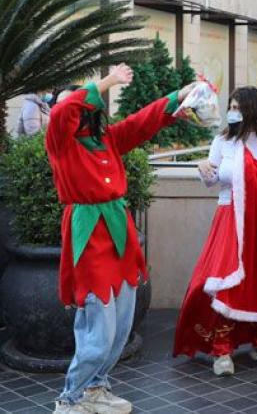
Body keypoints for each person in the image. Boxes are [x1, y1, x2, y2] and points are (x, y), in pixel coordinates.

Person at [46, 64, 194, 414]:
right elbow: (63, 111)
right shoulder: (61, 143)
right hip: (89, 234)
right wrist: (109, 81)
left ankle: (95, 389)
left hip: (118, 233)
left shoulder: (107, 140)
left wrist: (177, 97)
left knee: (121, 323)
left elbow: (141, 123)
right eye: (76, 106)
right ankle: (70, 399)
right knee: (97, 329)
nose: (79, 111)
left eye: (86, 106)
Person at [173, 86, 257, 376]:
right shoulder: (223, 141)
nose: (233, 112)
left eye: (238, 107)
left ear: (253, 109)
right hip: (232, 221)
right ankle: (222, 349)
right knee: (229, 283)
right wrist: (204, 171)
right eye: (232, 106)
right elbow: (213, 179)